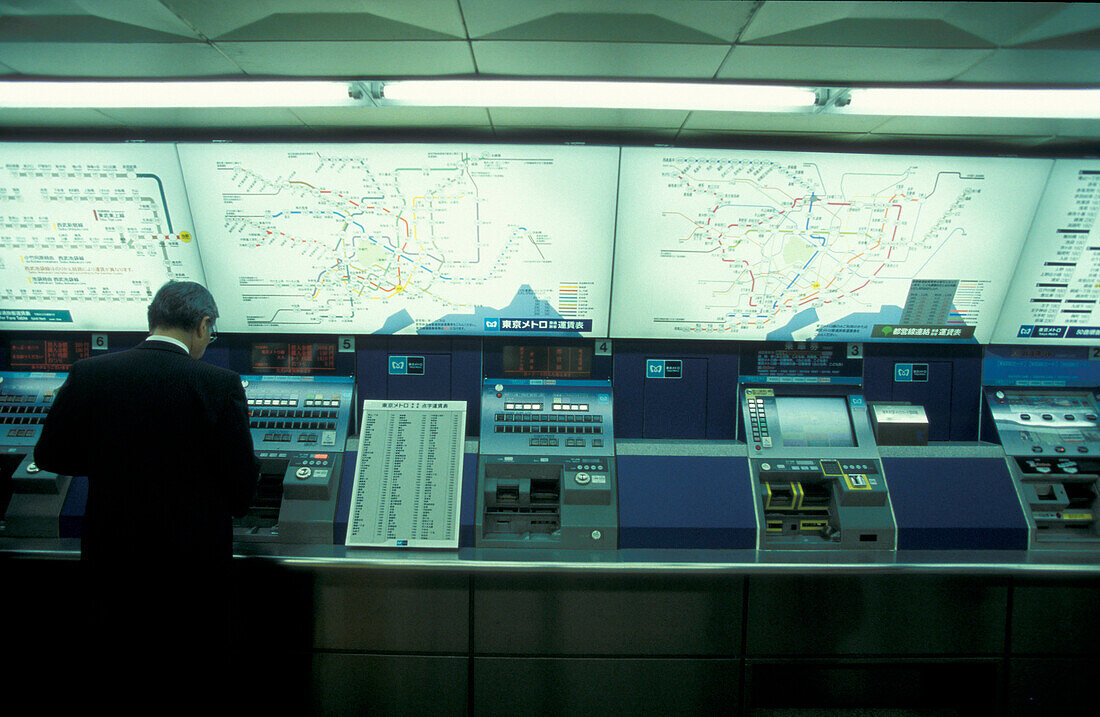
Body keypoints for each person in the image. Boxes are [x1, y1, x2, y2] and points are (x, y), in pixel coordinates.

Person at [33, 280, 260, 708]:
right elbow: (241, 487)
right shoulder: (218, 384)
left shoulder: (91, 372)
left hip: (112, 562)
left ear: (151, 320)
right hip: (192, 569)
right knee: (188, 679)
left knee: (118, 676)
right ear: (203, 324)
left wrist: (110, 464)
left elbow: (49, 454)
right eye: (211, 332)